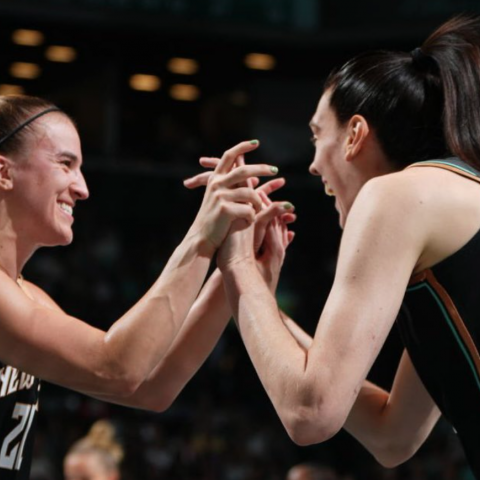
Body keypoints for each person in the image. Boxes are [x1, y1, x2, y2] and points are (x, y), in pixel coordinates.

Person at [196, 13, 480, 479]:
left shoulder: (395, 196)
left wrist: (239, 265)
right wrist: (262, 303)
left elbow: (310, 413)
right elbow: (393, 437)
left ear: (354, 135)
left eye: (316, 134)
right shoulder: (449, 208)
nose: (311, 164)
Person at [0, 94, 295, 479]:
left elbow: (152, 386)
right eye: (66, 164)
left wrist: (236, 270)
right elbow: (116, 368)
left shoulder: (28, 297)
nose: (83, 188)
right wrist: (201, 236)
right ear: (4, 172)